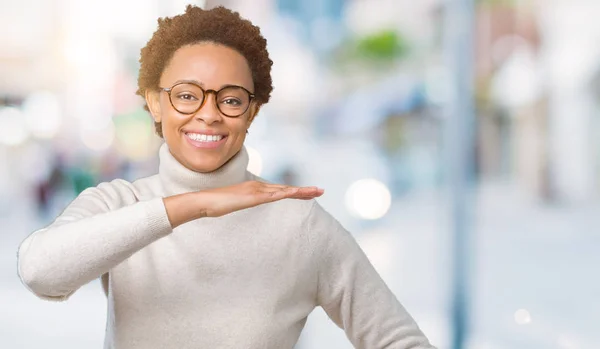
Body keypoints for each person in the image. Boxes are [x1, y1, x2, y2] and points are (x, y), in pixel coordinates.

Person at [17, 5, 436, 349]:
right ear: (155, 103)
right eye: (186, 95)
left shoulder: (299, 224)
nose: (209, 112)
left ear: (251, 112)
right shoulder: (118, 204)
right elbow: (41, 272)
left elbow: (399, 340)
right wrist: (192, 206)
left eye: (231, 99)